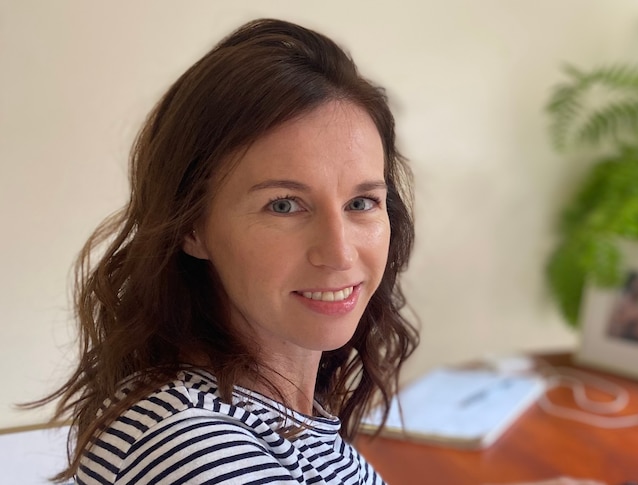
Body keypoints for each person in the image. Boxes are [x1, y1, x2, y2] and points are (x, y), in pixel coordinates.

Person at [31, 18, 419, 484]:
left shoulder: (278, 409)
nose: (339, 253)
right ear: (192, 226)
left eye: (361, 203)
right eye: (283, 205)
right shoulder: (183, 445)